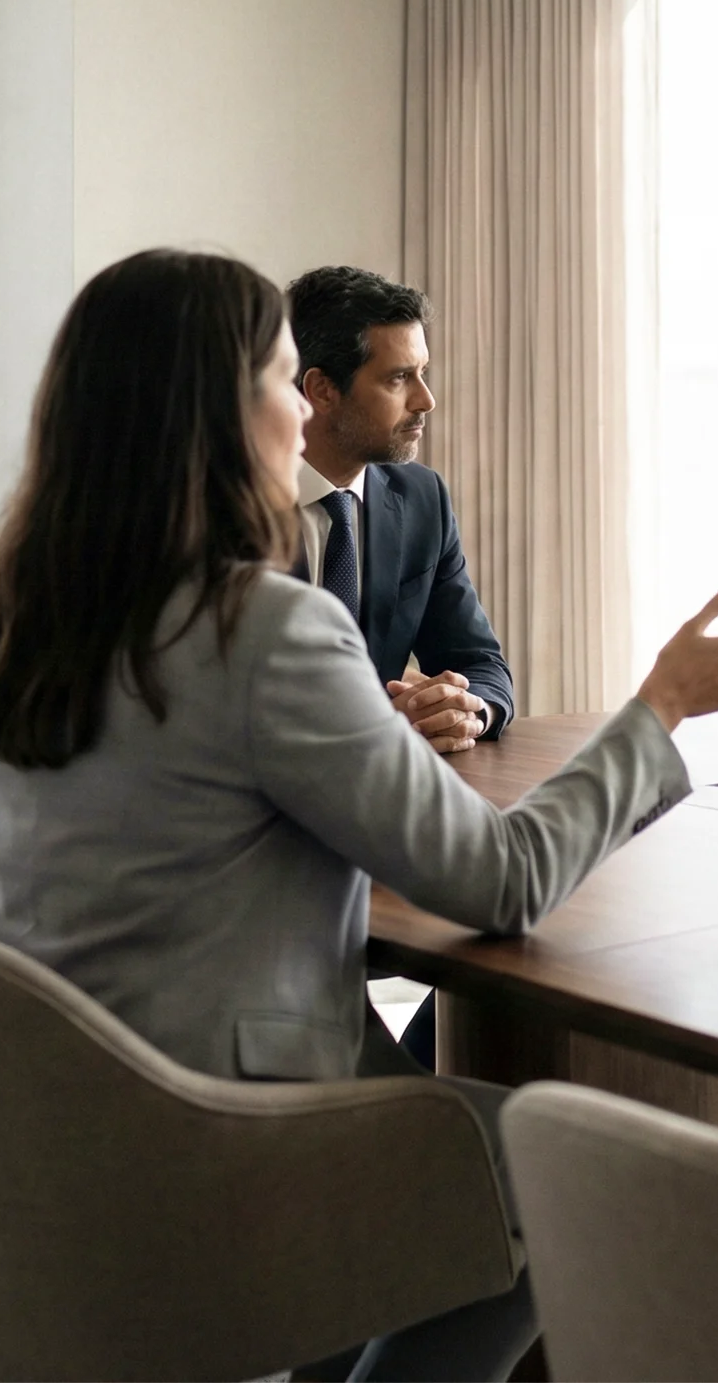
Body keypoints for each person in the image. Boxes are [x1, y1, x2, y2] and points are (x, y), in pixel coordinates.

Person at [0, 249, 718, 1383]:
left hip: (42, 1102)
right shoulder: (259, 626)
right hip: (207, 1125)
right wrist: (662, 703)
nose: (294, 403)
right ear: (225, 413)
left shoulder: (37, 605)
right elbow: (503, 879)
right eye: (278, 376)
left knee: (461, 1123)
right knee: (576, 1178)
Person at [285, 264, 509, 1068]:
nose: (426, 401)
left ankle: (424, 1092)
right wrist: (383, 721)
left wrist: (465, 706)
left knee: (505, 950)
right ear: (320, 389)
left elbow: (481, 661)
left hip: (386, 829)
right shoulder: (228, 515)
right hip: (280, 849)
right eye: (401, 378)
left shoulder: (420, 499)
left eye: (424, 374)